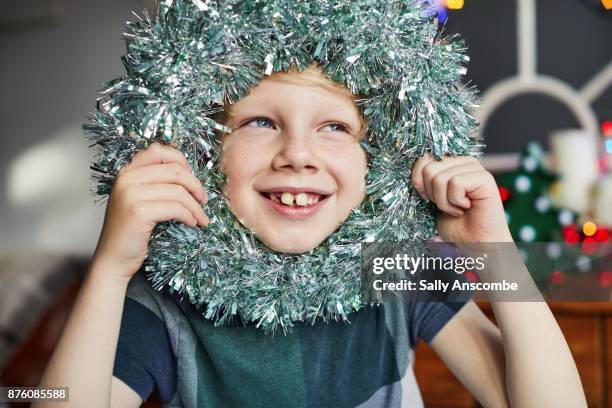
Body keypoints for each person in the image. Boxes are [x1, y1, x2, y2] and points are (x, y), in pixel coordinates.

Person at [36, 63, 586, 407]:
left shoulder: (393, 268)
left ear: (379, 160)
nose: (298, 154)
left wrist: (497, 257)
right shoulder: (163, 303)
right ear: (201, 153)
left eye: (335, 127)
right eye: (259, 122)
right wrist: (110, 271)